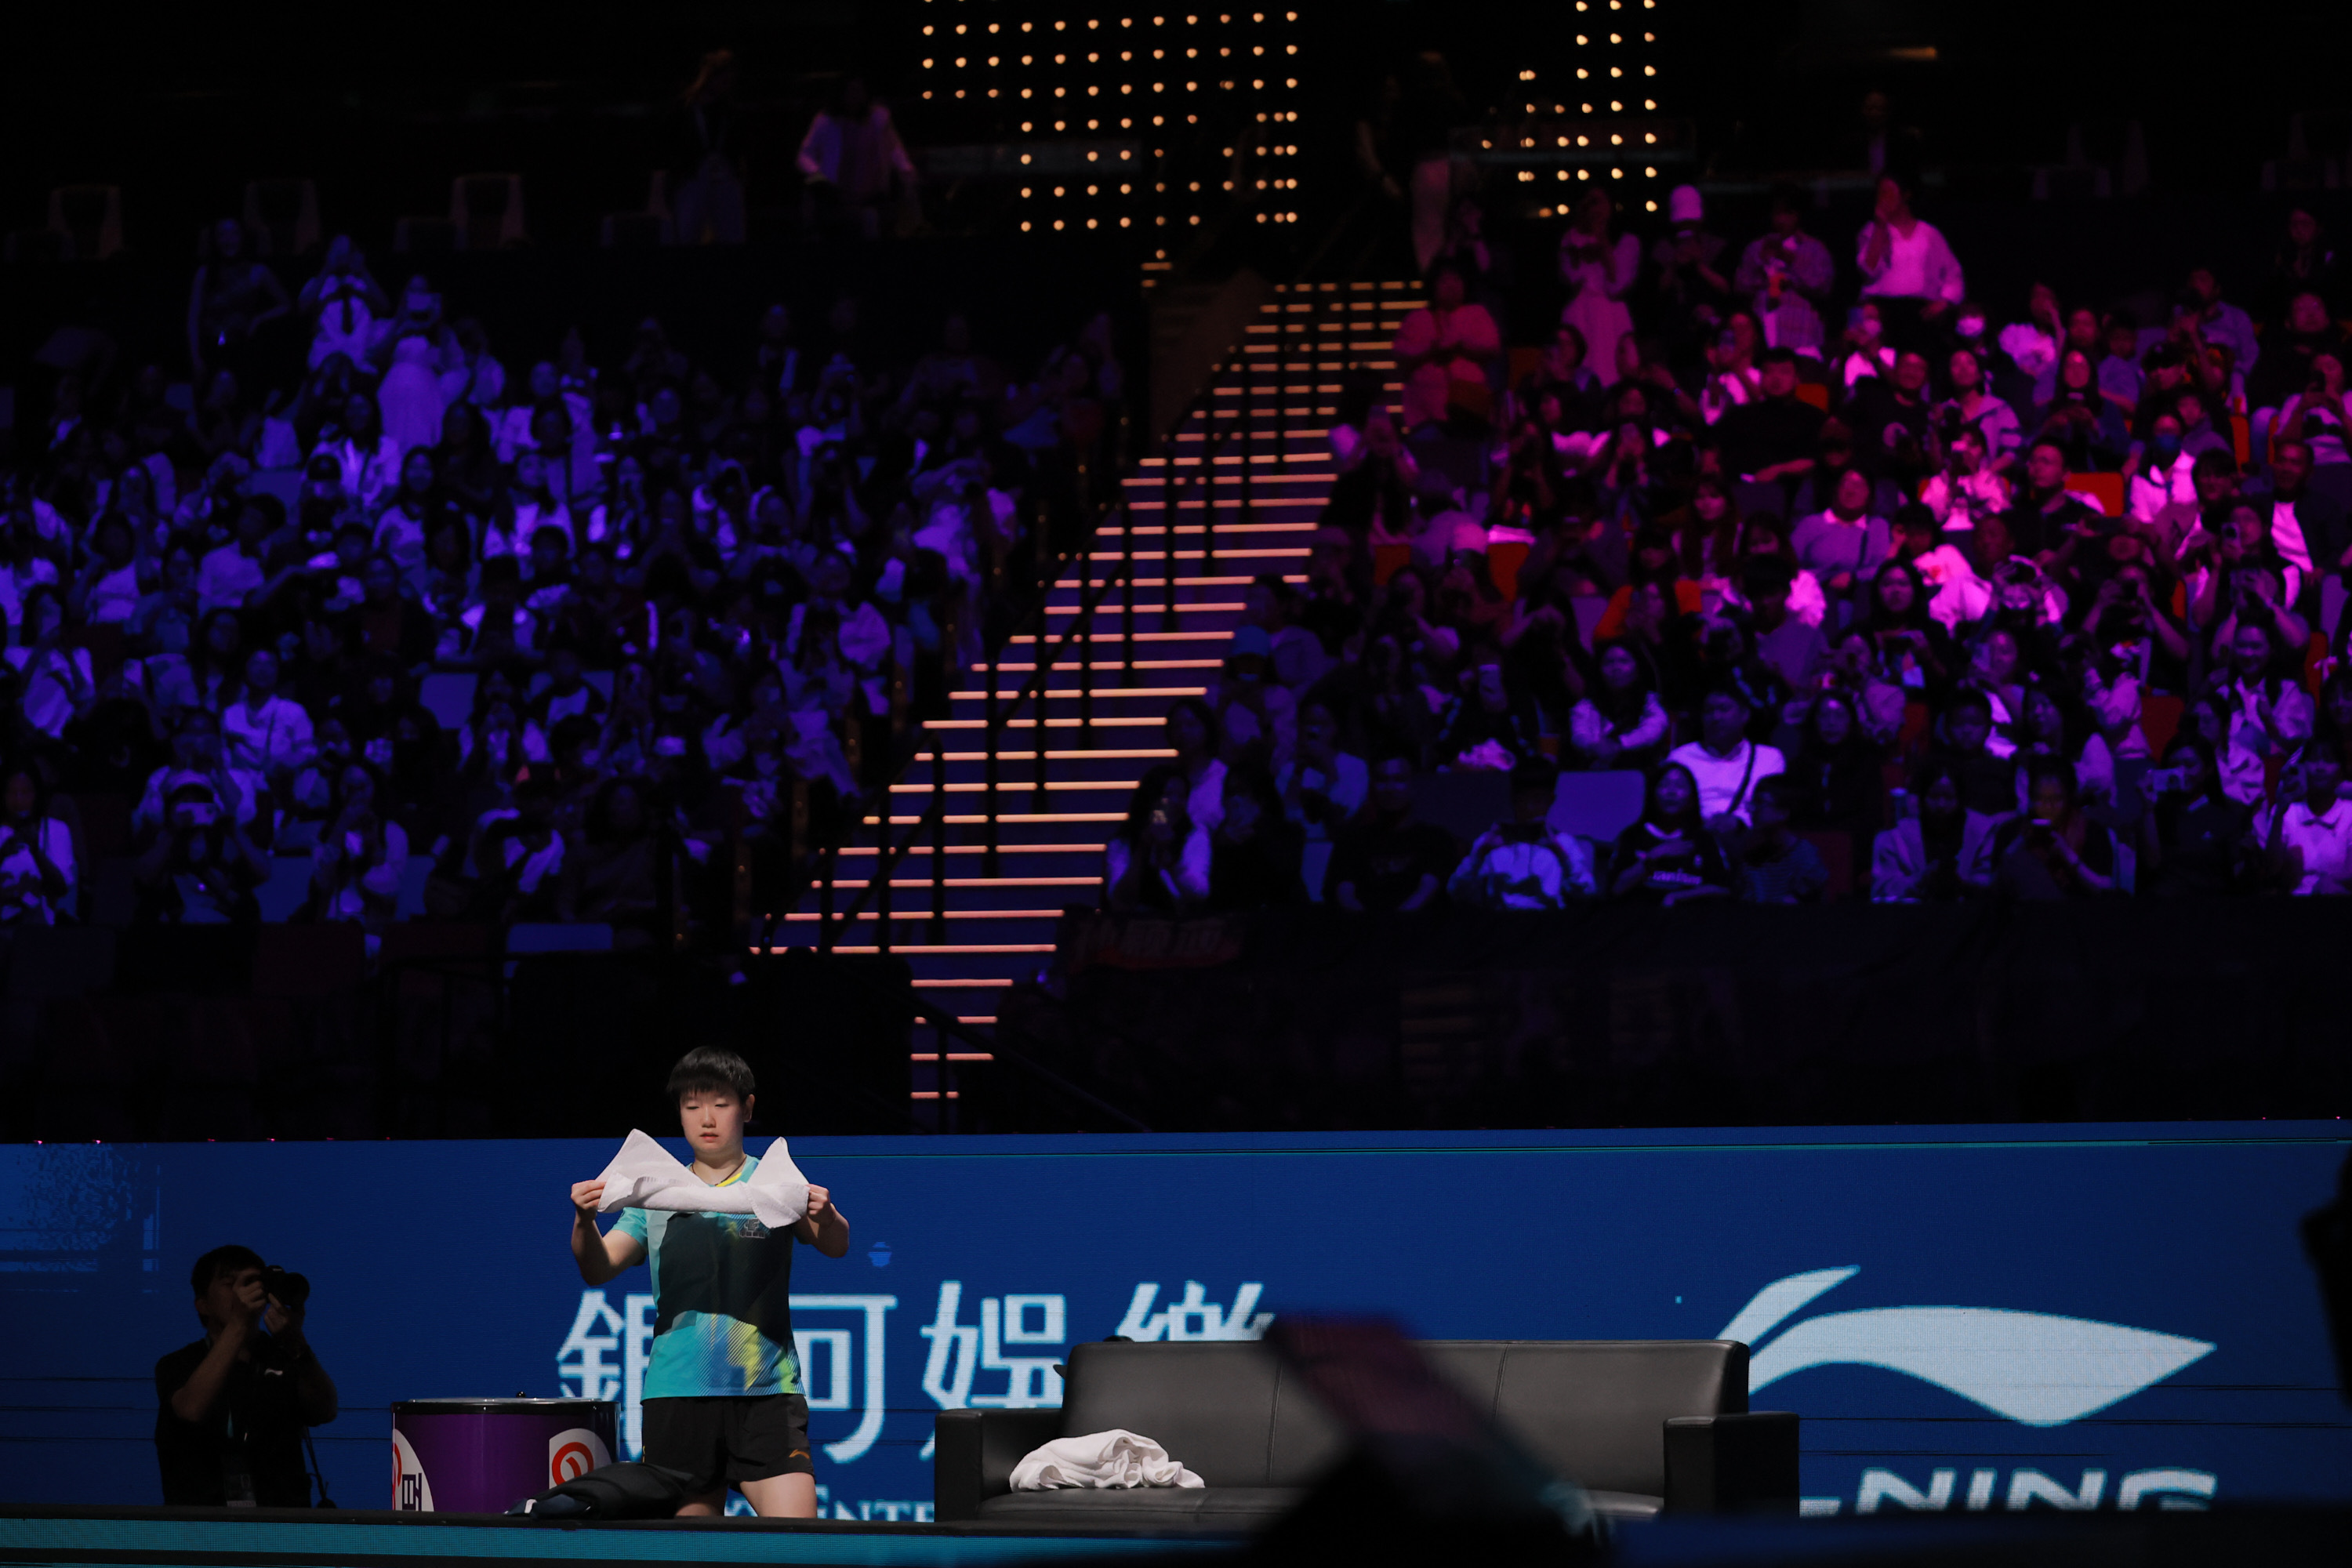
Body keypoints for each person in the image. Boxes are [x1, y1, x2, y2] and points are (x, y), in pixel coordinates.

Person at [568, 1048, 849, 1518]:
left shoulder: (774, 1182)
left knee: (798, 1538)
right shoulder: (655, 1192)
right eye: (692, 1105)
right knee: (691, 1549)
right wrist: (583, 1221)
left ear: (748, 1108)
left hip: (766, 1392)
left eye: (721, 1103)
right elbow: (598, 1268)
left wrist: (827, 1214)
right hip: (678, 1393)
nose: (707, 1118)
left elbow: (835, 1244)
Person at [154, 1245, 336, 1506]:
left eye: (253, 1283)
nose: (244, 1293)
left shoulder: (282, 1356)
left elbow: (326, 1410)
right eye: (230, 1285)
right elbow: (191, 1409)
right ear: (202, 1305)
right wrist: (239, 1322)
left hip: (283, 1522)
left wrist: (296, 1343)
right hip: (203, 1523)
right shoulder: (179, 1363)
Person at [1448, 756, 1595, 909]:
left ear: (1551, 800)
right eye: (1523, 800)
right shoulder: (1489, 842)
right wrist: (1479, 856)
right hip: (1499, 921)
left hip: (1548, 921)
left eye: (1537, 799)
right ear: (1513, 800)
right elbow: (1456, 892)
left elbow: (1587, 893)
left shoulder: (1563, 843)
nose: (1529, 807)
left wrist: (1561, 854)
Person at [1325, 753, 1457, 912]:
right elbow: (1343, 893)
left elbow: (1428, 890)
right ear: (1372, 786)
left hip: (1418, 926)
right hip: (1361, 926)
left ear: (1413, 785)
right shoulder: (1351, 842)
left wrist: (1393, 922)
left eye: (1399, 779)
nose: (1390, 788)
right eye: (1382, 780)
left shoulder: (1436, 840)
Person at [1987, 757, 2124, 898]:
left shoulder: (2092, 832)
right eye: (2040, 799)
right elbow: (1992, 889)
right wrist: (2017, 846)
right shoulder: (2010, 831)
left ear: (2069, 798)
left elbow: (2106, 889)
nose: (2048, 807)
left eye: (2056, 799)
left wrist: (2066, 853)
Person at [1855, 174, 1963, 350]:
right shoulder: (1871, 231)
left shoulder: (1928, 234)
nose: (1884, 198)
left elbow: (1952, 273)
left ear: (1905, 195)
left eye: (1889, 192)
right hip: (1882, 311)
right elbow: (1868, 270)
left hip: (1919, 312)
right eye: (1880, 193)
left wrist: (1945, 300)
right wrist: (1880, 227)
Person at [1606, 762, 1735, 904]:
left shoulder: (1704, 840)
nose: (1671, 792)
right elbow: (1615, 889)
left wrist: (1677, 897)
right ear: (1652, 793)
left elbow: (1724, 889)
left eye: (1680, 786)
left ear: (1692, 798)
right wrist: (1653, 857)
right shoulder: (1632, 836)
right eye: (1664, 785)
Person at [1394, 266, 1500, 432]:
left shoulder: (1477, 313)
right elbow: (1401, 353)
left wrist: (1460, 346)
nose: (1451, 286)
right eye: (1444, 281)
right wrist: (1430, 349)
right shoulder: (1417, 318)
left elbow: (1492, 346)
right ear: (1433, 285)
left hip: (1468, 410)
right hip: (1425, 414)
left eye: (1456, 280)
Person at [2140, 736, 2249, 898]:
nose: (2181, 772)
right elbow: (2151, 864)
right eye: (2174, 766)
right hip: (2163, 904)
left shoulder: (2228, 815)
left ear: (2208, 769)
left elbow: (2238, 876)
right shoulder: (2155, 812)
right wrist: (2148, 809)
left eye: (2189, 765)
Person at [1733, 185, 1836, 354]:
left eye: (1787, 213)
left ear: (1797, 216)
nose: (1781, 219)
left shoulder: (1814, 249)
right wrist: (1760, 266)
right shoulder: (1756, 248)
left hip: (1801, 336)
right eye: (1777, 213)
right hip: (1763, 332)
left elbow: (1823, 287)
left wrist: (1793, 262)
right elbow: (1740, 286)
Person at [1868, 763, 1995, 901]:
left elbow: (1989, 883)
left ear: (1961, 799)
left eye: (1949, 797)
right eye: (1934, 796)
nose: (1941, 805)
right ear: (1922, 798)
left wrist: (1960, 885)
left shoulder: (1983, 832)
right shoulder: (1895, 838)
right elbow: (1882, 889)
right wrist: (1920, 880)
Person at [1668, 685, 1787, 830]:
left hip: (1750, 836)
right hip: (1694, 834)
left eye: (1723, 709)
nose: (1716, 717)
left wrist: (1737, 824)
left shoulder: (1769, 758)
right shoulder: (1681, 758)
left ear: (1745, 715)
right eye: (1709, 711)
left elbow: (1772, 808)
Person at [1558, 187, 1641, 387]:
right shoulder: (1571, 239)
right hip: (1580, 314)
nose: (1594, 209)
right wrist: (1578, 248)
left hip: (1611, 317)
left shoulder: (1627, 242)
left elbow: (1617, 286)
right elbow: (1571, 279)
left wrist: (1602, 245)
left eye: (1599, 202)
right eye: (1590, 202)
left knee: (1609, 369)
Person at [1103, 763, 1210, 913]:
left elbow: (1199, 894)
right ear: (1150, 799)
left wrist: (1170, 862)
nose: (1175, 802)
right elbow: (1119, 901)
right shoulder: (1122, 842)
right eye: (1168, 795)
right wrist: (1142, 849)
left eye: (1181, 796)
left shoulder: (1195, 836)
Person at [2256, 746, 2352, 895]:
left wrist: (2328, 885)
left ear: (2341, 770)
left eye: (2328, 760)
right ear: (2301, 768)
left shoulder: (2349, 811)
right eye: (2313, 760)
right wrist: (2279, 816)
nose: (2320, 767)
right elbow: (2271, 870)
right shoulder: (2286, 811)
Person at [1568, 638, 1671, 771]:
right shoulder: (1587, 705)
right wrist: (1595, 746)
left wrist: (1620, 744)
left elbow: (1653, 729)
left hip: (1640, 771)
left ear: (1637, 667)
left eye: (1624, 661)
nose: (1616, 668)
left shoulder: (1650, 701)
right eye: (1609, 662)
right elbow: (1579, 735)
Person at [1735, 774, 1829, 902]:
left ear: (1783, 813)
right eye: (1753, 802)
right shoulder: (1751, 858)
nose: (1751, 810)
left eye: (1760, 803)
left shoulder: (1806, 859)